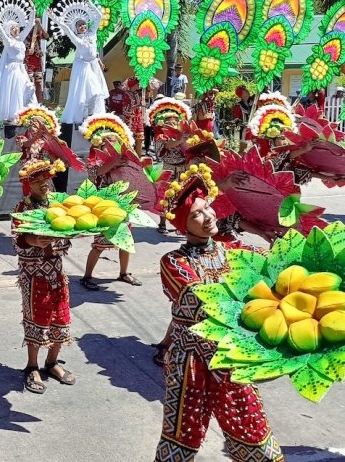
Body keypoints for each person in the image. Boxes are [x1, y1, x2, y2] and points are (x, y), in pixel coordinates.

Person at [154, 164, 283, 462]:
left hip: (231, 357)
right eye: (196, 214)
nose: (207, 216)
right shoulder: (172, 261)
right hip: (190, 362)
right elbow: (198, 301)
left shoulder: (233, 251)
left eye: (207, 209)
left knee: (251, 428)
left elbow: (274, 269)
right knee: (180, 436)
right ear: (184, 225)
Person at [13, 158, 75, 394]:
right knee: (37, 318)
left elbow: (68, 230)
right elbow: (17, 239)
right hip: (33, 273)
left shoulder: (57, 204)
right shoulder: (23, 208)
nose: (43, 184)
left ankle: (52, 362)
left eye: (46, 179)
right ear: (28, 184)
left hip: (57, 270)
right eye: (37, 181)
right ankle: (32, 366)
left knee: (62, 317)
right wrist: (34, 240)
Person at [78, 114, 142, 290]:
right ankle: (87, 276)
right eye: (109, 142)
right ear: (100, 144)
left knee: (126, 242)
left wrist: (137, 144)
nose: (112, 144)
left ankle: (124, 273)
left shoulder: (122, 157)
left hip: (123, 204)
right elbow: (96, 174)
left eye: (115, 141)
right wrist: (114, 162)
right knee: (99, 245)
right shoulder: (94, 159)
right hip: (103, 207)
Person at [51, 0, 108, 124]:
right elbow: (66, 28)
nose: (82, 26)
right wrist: (54, 18)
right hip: (83, 67)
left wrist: (89, 3)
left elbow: (99, 16)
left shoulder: (92, 33)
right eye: (79, 25)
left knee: (97, 94)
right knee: (90, 93)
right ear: (76, 29)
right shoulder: (77, 39)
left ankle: (93, 115)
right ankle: (85, 115)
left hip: (93, 65)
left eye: (83, 24)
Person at [148, 97, 192, 235]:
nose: (172, 123)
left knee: (183, 197)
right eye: (169, 121)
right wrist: (179, 140)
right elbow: (164, 148)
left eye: (175, 121)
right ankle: (162, 223)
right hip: (169, 169)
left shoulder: (183, 134)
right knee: (166, 197)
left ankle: (181, 224)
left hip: (184, 169)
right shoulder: (161, 136)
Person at [0, 0, 37, 124]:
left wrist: (33, 10)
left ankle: (27, 111)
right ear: (9, 30)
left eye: (17, 27)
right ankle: (14, 115)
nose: (16, 29)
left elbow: (30, 25)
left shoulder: (20, 39)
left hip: (21, 68)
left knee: (28, 88)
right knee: (15, 91)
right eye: (13, 28)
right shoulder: (8, 41)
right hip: (12, 69)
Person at [24, 14, 48, 103]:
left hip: (37, 60)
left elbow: (46, 36)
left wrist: (40, 25)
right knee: (30, 83)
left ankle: (40, 103)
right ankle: (29, 102)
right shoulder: (24, 31)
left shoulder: (38, 31)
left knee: (39, 82)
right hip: (28, 60)